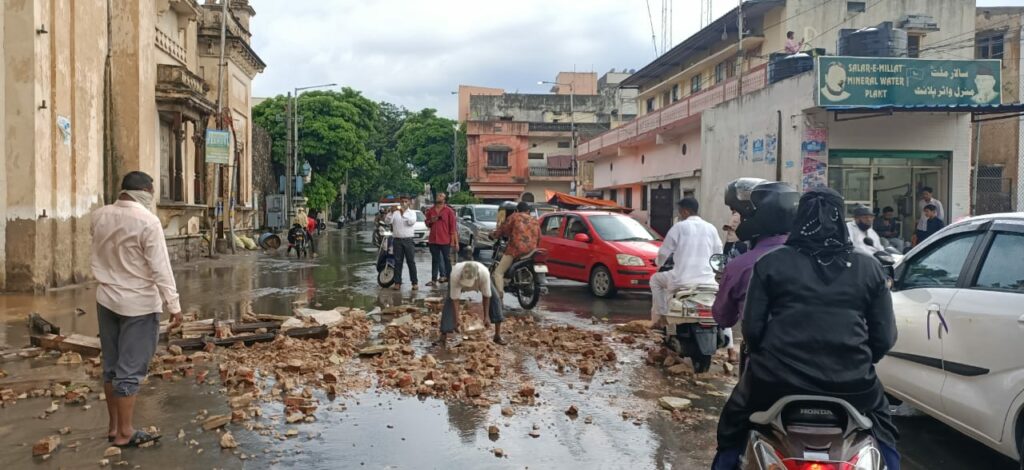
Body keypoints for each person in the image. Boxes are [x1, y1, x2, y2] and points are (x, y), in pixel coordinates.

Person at [712, 188, 899, 470]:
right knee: (885, 435)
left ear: (799, 220)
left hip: (774, 381)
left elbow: (752, 330)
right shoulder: (868, 267)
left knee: (731, 430)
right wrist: (856, 359)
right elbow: (885, 337)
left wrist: (771, 356)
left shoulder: (771, 263)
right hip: (853, 383)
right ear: (841, 219)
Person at [90, 171, 183, 448]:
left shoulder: (99, 216)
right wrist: (174, 306)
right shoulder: (148, 222)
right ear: (144, 191)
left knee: (111, 367)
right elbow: (161, 269)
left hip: (106, 300)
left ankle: (113, 427)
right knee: (130, 371)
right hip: (139, 305)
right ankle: (125, 432)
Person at [713, 179, 799, 366]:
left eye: (740, 215)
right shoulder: (814, 257)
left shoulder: (742, 266)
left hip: (767, 367)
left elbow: (723, 317)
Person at [651, 197, 722, 324]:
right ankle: (728, 342)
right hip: (707, 282)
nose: (680, 215)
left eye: (680, 211)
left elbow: (664, 252)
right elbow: (718, 255)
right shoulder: (711, 228)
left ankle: (662, 317)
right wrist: (715, 272)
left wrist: (658, 263)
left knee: (655, 280)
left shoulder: (679, 227)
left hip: (682, 280)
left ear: (686, 212)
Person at [438, 261, 506, 346]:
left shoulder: (484, 274)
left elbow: (486, 296)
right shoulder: (455, 274)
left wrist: (486, 317)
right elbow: (455, 300)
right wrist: (456, 319)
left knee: (495, 298)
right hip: (458, 281)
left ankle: (497, 336)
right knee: (449, 301)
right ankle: (443, 336)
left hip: (481, 279)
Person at [491, 201, 540, 299]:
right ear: (528, 211)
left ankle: (499, 298)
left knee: (498, 273)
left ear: (517, 210)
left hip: (516, 249)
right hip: (532, 250)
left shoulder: (514, 217)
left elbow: (503, 229)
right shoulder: (535, 220)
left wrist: (493, 235)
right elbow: (539, 236)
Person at [425, 193, 459, 286]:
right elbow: (427, 223)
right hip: (433, 240)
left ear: (444, 199)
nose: (438, 197)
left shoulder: (449, 211)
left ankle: (450, 279)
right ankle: (433, 279)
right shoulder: (430, 210)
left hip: (445, 240)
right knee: (435, 260)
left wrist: (454, 242)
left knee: (447, 260)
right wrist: (431, 221)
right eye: (437, 195)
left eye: (441, 196)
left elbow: (453, 228)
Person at [386, 196, 419, 290]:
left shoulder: (412, 213)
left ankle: (414, 283)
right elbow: (387, 221)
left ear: (409, 203)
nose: (404, 203)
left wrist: (402, 213)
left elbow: (411, 222)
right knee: (398, 262)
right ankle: (397, 283)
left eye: (406, 201)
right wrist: (391, 212)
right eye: (402, 201)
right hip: (397, 240)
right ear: (399, 203)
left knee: (411, 262)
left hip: (408, 240)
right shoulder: (395, 212)